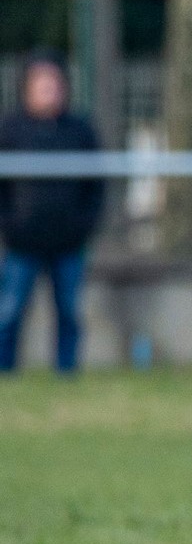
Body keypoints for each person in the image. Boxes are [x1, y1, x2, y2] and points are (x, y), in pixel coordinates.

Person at [0, 51, 103, 372]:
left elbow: (96, 186)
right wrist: (9, 226)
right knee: (9, 313)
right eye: (41, 83)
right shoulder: (10, 130)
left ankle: (66, 373)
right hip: (22, 242)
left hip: (69, 243)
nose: (48, 90)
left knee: (70, 313)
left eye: (53, 83)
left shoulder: (80, 131)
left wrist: (83, 226)